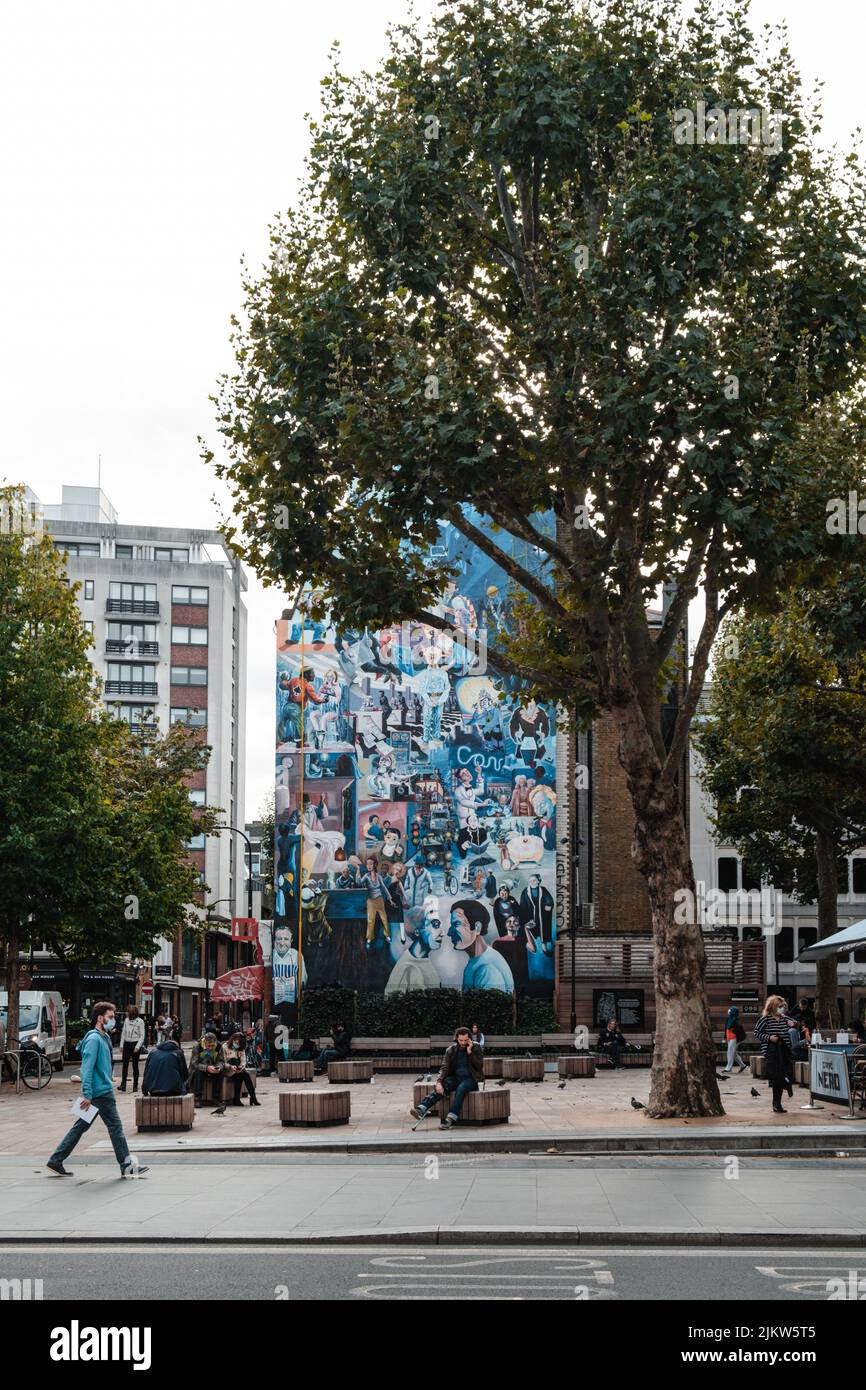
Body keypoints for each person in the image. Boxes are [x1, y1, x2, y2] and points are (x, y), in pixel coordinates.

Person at [46, 1001, 147, 1179]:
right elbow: (87, 1068)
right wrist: (87, 1094)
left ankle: (56, 1159)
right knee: (115, 1127)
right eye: (110, 1017)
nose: (113, 1020)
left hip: (99, 1091)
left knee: (80, 1127)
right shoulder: (94, 1039)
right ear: (100, 1018)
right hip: (100, 1093)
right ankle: (126, 1165)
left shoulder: (104, 1037)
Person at [411, 1027, 484, 1129]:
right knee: (444, 1084)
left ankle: (450, 1119)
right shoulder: (451, 1050)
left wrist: (469, 1052)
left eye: (465, 1040)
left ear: (470, 1039)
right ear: (456, 1039)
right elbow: (444, 1067)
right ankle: (421, 1108)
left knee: (461, 1088)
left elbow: (479, 1066)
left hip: (472, 1079)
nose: (463, 1043)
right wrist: (439, 1082)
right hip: (456, 1078)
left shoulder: (476, 1047)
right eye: (461, 1040)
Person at [448, 899, 514, 992]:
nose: (449, 933)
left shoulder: (487, 969)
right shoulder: (477, 961)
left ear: (477, 927)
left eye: (456, 924)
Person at [754, 995, 796, 1114]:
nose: (782, 1009)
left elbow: (797, 1025)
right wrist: (769, 1038)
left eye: (783, 1006)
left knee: (783, 1077)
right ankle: (776, 1103)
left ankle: (778, 1102)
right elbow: (757, 1032)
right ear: (773, 1007)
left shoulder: (784, 1018)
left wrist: (793, 1024)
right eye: (780, 1006)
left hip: (784, 1052)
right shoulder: (765, 1019)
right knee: (776, 1077)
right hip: (771, 1052)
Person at [360, 855, 391, 949]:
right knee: (370, 920)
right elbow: (359, 882)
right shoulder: (366, 876)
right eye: (367, 864)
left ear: (375, 865)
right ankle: (369, 938)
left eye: (371, 864)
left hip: (380, 899)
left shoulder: (378, 876)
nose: (368, 866)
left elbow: (383, 887)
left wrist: (389, 897)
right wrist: (358, 872)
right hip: (370, 901)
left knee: (384, 918)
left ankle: (387, 935)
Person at [188, 1032, 227, 1106]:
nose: (210, 1048)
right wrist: (206, 1068)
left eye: (212, 1046)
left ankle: (216, 1098)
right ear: (204, 1042)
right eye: (208, 1046)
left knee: (220, 1073)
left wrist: (218, 1067)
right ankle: (198, 1098)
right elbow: (194, 1063)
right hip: (200, 1069)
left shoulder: (219, 1046)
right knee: (198, 1072)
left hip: (213, 1068)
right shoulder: (197, 1047)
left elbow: (221, 1061)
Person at [224, 1033, 261, 1106]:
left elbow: (243, 1061)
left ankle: (239, 1099)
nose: (238, 1044)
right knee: (243, 1074)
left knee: (243, 1074)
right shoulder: (225, 1047)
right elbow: (223, 1062)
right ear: (233, 1040)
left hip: (238, 1070)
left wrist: (241, 1067)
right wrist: (230, 1066)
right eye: (236, 1042)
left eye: (239, 1043)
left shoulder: (241, 1048)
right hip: (228, 1070)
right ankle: (253, 1098)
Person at [117, 1004, 146, 1093]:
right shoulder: (126, 1020)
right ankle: (123, 1084)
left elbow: (142, 1035)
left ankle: (135, 1085)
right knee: (125, 1065)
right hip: (127, 1044)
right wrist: (121, 1045)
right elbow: (123, 1033)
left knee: (135, 1065)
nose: (126, 1013)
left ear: (132, 1012)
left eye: (128, 1011)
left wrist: (137, 1047)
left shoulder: (140, 1021)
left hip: (135, 1043)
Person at [721, 1003, 748, 1075]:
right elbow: (726, 1028)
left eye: (730, 1010)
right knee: (734, 1053)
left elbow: (739, 1028)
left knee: (730, 1052)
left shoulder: (736, 1020)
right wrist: (724, 1037)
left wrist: (734, 1031)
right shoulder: (728, 1019)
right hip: (729, 1037)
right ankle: (743, 1065)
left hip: (734, 1038)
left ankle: (728, 1068)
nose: (729, 1011)